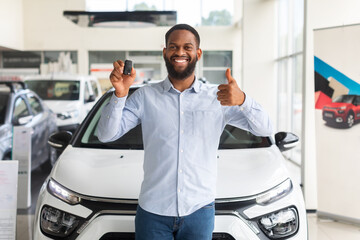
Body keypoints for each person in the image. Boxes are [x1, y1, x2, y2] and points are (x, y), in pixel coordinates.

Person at [97, 24, 273, 240]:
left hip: (199, 210)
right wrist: (119, 95)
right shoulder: (145, 96)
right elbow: (106, 135)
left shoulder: (218, 97)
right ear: (165, 52)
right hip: (153, 212)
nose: (180, 52)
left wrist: (244, 100)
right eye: (173, 47)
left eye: (187, 47)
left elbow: (264, 128)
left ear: (198, 53)